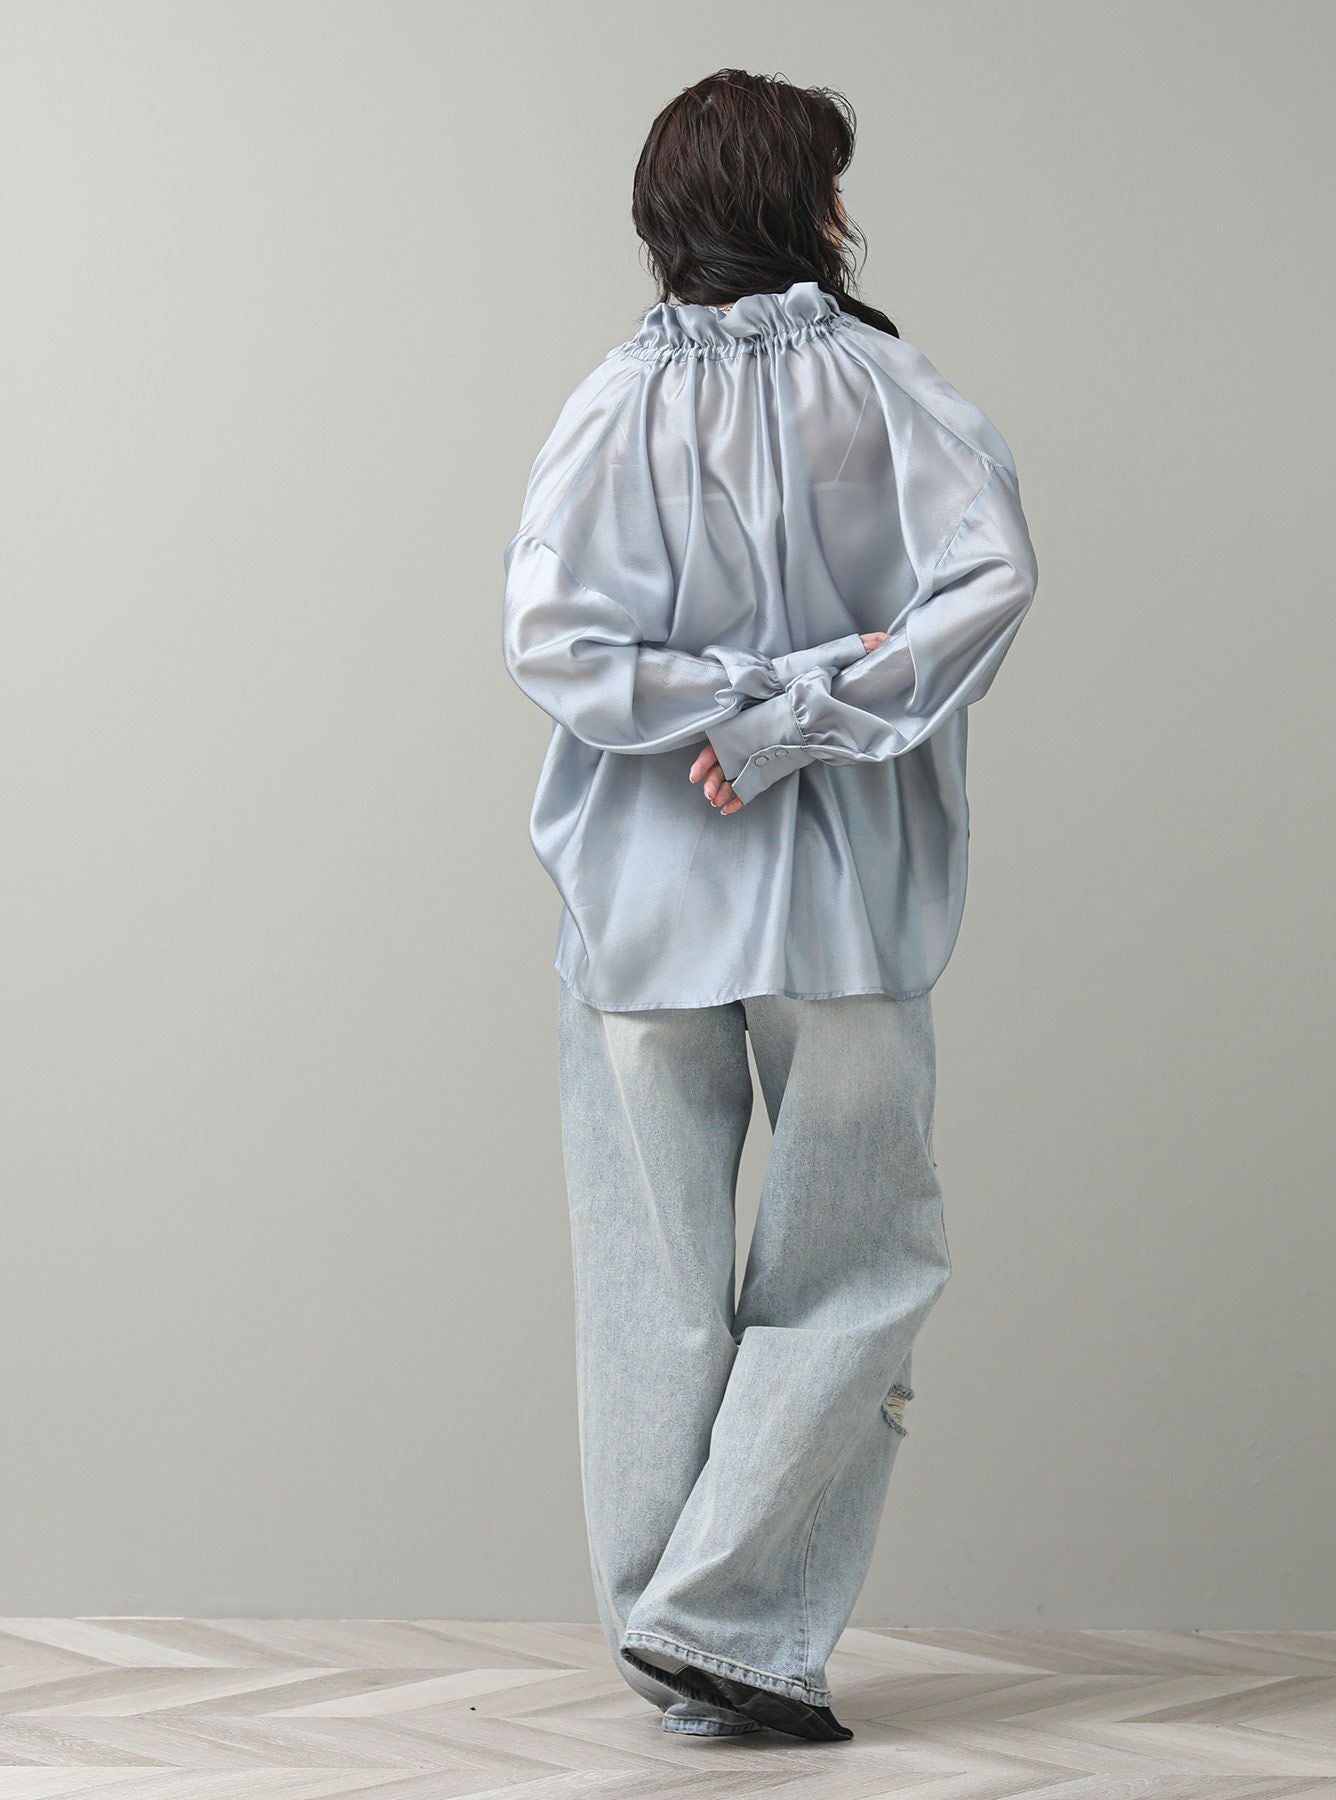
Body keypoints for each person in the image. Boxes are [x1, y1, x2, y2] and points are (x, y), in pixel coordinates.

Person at [501, 68, 1038, 1744]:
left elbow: (552, 641)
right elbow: (993, 581)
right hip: (847, 910)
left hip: (641, 911)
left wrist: (725, 711)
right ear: (815, 205)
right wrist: (799, 712)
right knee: (856, 1262)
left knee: (647, 1288)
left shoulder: (607, 404)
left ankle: (680, 1639)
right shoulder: (888, 388)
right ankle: (727, 1625)